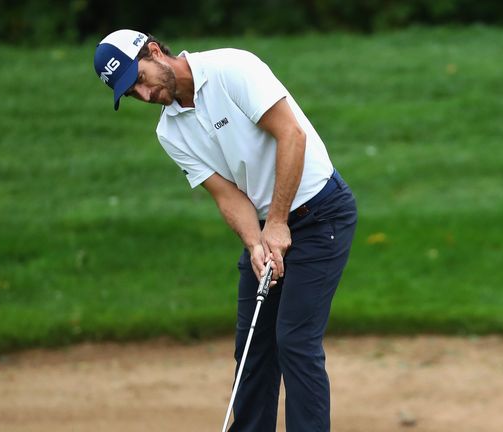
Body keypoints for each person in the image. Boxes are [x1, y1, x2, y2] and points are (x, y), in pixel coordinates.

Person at [93, 29, 357, 432]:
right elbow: (227, 195)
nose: (144, 97)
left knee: (295, 341)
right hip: (269, 224)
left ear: (153, 52)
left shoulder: (231, 68)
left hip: (321, 213)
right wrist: (255, 243)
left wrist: (279, 222)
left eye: (140, 81)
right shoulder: (170, 132)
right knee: (252, 350)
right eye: (131, 95)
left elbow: (292, 135)